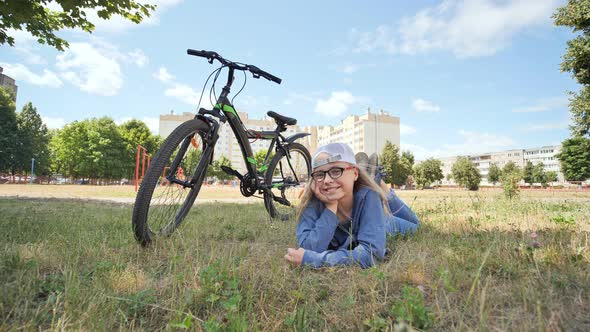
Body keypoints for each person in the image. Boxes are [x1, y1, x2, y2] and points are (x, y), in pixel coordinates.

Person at [284, 143, 419, 268]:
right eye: (319, 174)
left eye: (336, 171)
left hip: (382, 222)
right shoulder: (312, 201)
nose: (326, 180)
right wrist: (331, 207)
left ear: (354, 173)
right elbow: (309, 248)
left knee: (415, 226)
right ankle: (373, 179)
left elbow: (371, 254)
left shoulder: (368, 196)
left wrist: (312, 260)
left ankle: (381, 186)